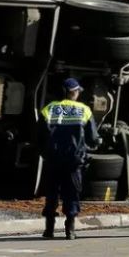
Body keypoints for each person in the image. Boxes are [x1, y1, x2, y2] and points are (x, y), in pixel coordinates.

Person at [38, 77, 99, 240]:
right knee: (72, 194)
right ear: (73, 92)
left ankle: (49, 229)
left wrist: (45, 152)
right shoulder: (83, 110)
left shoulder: (49, 109)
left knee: (51, 194)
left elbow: (38, 135)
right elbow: (93, 137)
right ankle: (70, 230)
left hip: (53, 160)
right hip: (74, 161)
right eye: (78, 91)